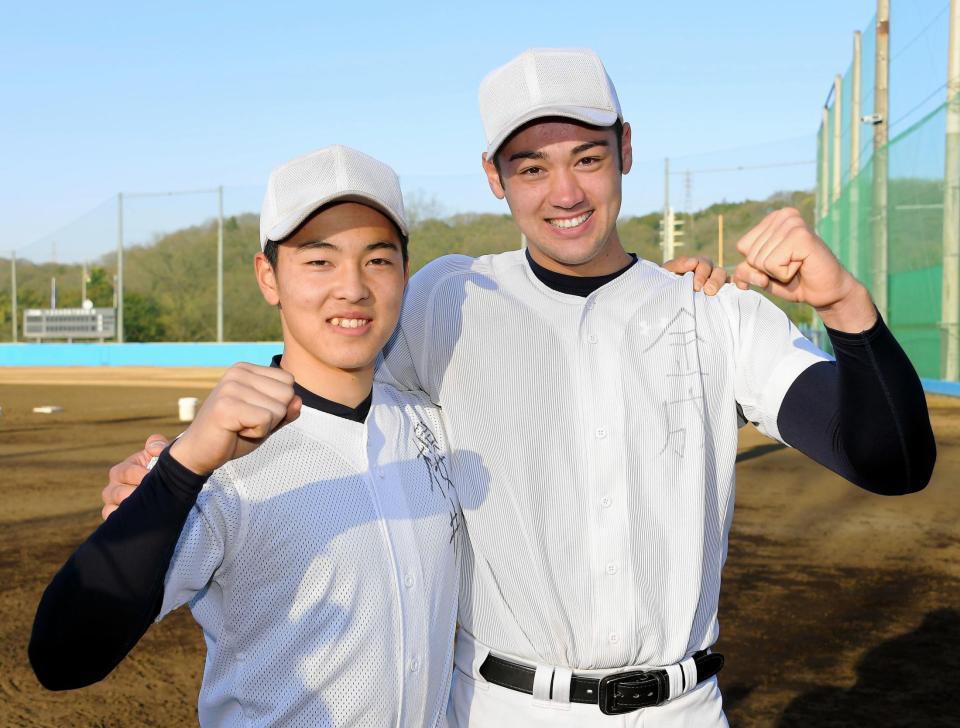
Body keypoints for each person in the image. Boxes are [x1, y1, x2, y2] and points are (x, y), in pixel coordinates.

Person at [100, 47, 934, 726]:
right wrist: (169, 471)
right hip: (502, 707)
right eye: (531, 167)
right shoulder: (446, 299)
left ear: (627, 153)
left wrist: (845, 306)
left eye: (588, 158)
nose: (564, 192)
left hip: (684, 708)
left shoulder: (713, 311)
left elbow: (891, 460)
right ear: (495, 178)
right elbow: (318, 375)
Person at [30, 145, 467, 727]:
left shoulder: (434, 426)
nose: (353, 288)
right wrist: (180, 470)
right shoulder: (219, 463)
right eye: (319, 261)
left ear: (404, 275)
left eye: (378, 260)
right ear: (269, 277)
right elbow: (64, 658)